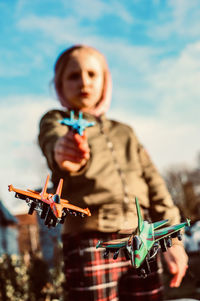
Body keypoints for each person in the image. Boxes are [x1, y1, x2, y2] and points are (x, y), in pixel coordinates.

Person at [38, 45, 188, 301]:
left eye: (92, 74)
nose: (84, 81)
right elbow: (53, 141)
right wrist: (65, 151)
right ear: (60, 85)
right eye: (73, 76)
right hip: (90, 242)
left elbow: (156, 187)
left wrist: (172, 240)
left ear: (105, 81)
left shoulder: (125, 132)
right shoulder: (56, 120)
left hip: (142, 238)